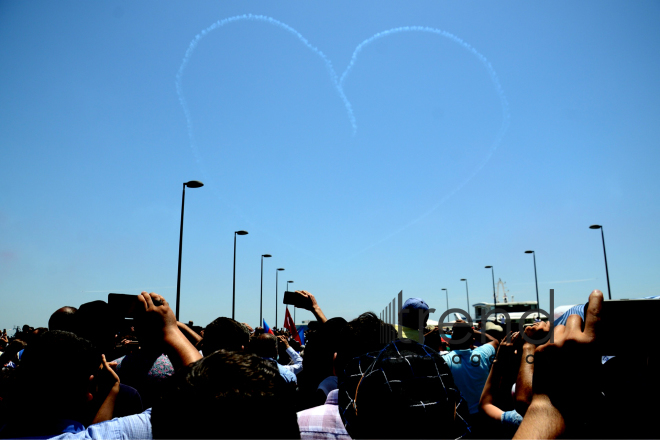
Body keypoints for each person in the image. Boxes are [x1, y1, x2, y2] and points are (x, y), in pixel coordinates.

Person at [441, 321, 499, 421]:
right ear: (472, 339)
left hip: (462, 415)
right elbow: (494, 341)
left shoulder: (445, 360)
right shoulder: (483, 353)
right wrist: (469, 329)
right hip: (486, 412)